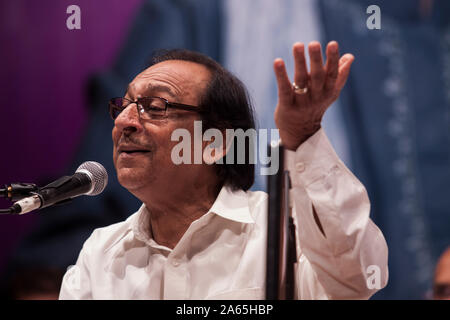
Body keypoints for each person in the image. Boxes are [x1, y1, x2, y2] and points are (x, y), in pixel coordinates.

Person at [59, 41, 389, 299]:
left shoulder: (286, 231)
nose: (123, 122)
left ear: (215, 142)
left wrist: (304, 134)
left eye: (155, 107)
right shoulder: (101, 253)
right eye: (123, 106)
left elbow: (358, 278)